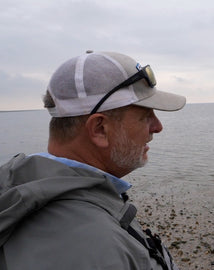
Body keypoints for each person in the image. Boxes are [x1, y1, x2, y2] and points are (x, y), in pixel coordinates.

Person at [0, 51, 186, 269]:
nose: (158, 127)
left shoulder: (23, 184)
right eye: (146, 116)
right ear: (100, 129)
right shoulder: (93, 247)